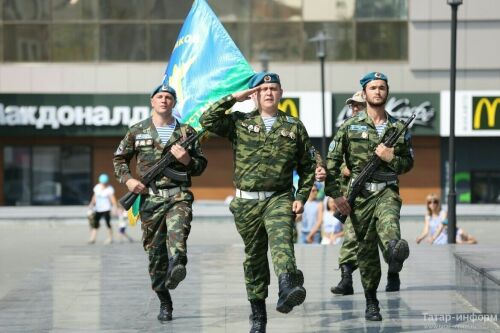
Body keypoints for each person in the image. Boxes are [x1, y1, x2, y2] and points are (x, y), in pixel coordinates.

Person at [200, 72, 316, 333]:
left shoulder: (293, 126)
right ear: (254, 95)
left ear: (281, 93)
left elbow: (308, 166)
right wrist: (234, 98)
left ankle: (287, 287)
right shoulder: (239, 122)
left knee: (281, 239)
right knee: (254, 257)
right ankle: (258, 315)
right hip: (246, 203)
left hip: (279, 198)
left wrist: (300, 196)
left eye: (273, 88)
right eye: (263, 89)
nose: (268, 93)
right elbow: (206, 120)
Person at [113, 84, 207, 322]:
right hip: (149, 200)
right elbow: (120, 158)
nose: (164, 100)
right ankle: (165, 301)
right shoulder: (137, 130)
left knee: (178, 233)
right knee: (155, 256)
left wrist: (186, 160)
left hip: (178, 196)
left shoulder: (187, 132)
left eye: (168, 97)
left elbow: (200, 166)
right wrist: (129, 181)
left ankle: (178, 263)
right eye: (160, 97)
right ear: (152, 101)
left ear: (174, 103)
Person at [325, 72, 414, 321]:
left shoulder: (398, 128)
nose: (377, 91)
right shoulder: (349, 127)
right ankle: (371, 301)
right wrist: (336, 196)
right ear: (364, 94)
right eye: (373, 87)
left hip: (386, 191)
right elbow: (331, 164)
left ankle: (394, 255)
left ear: (387, 92)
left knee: (389, 226)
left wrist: (391, 158)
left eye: (382, 87)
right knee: (365, 252)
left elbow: (408, 163)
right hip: (359, 197)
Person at [88, 173, 117, 244]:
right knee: (95, 223)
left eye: (104, 183)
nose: (103, 184)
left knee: (108, 223)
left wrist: (114, 208)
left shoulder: (109, 189)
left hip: (106, 209)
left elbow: (113, 199)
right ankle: (92, 238)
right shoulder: (97, 187)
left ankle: (110, 238)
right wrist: (91, 204)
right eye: (102, 182)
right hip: (98, 209)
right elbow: (94, 197)